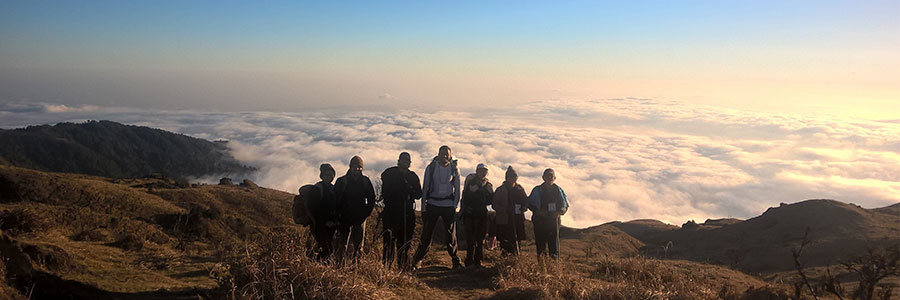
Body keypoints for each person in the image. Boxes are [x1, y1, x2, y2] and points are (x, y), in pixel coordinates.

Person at [411, 145, 462, 270]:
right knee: (427, 234)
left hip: (448, 205)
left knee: (451, 235)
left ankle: (456, 261)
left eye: (447, 154)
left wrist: (454, 206)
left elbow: (458, 189)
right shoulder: (431, 168)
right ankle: (418, 260)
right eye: (442, 153)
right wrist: (423, 208)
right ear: (438, 154)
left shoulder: (454, 169)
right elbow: (426, 188)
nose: (445, 156)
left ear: (450, 156)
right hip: (432, 204)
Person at [380, 152, 422, 270]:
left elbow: (419, 194)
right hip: (391, 213)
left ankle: (402, 269)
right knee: (388, 243)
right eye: (402, 160)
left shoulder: (412, 177)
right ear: (398, 161)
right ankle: (386, 269)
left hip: (406, 214)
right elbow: (385, 193)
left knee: (404, 244)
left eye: (406, 161)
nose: (404, 162)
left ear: (409, 163)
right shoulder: (389, 174)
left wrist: (409, 190)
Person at [334, 156, 376, 263]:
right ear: (350, 167)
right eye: (354, 166)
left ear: (362, 168)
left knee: (358, 246)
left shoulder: (365, 182)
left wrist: (365, 214)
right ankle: (340, 266)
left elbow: (371, 199)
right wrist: (338, 215)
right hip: (344, 218)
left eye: (359, 167)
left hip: (359, 218)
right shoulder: (342, 181)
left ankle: (355, 267)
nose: (356, 169)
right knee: (342, 244)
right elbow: (335, 199)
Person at [527, 168, 569, 260]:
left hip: (553, 222)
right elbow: (529, 203)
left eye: (551, 176)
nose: (549, 178)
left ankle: (554, 268)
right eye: (547, 176)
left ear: (554, 178)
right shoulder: (537, 190)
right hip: (540, 222)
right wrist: (538, 211)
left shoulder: (559, 191)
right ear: (543, 177)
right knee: (540, 245)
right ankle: (542, 267)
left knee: (553, 246)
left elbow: (565, 205)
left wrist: (559, 213)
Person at [460, 163, 493, 268]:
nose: (483, 172)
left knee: (480, 239)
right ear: (477, 171)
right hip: (471, 213)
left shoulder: (488, 185)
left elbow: (490, 200)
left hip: (481, 214)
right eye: (481, 170)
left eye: (484, 171)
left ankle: (477, 261)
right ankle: (470, 261)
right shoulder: (471, 182)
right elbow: (465, 196)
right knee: (471, 240)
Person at [492, 166, 528, 255]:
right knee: (505, 242)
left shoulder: (520, 189)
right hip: (504, 220)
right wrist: (505, 210)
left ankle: (515, 260)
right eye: (511, 177)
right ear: (507, 178)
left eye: (514, 177)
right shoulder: (500, 190)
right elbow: (494, 204)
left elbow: (525, 201)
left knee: (517, 241)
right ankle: (505, 261)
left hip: (518, 219)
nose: (513, 179)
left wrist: (524, 207)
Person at [307, 163, 339, 260]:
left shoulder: (333, 189)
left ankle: (320, 268)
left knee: (328, 249)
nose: (329, 177)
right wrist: (325, 221)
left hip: (331, 225)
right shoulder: (317, 189)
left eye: (331, 174)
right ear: (322, 176)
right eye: (326, 174)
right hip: (320, 225)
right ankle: (319, 269)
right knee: (326, 249)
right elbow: (314, 208)